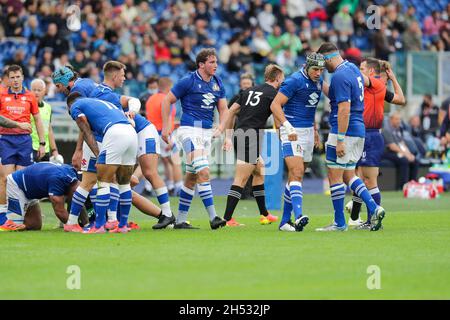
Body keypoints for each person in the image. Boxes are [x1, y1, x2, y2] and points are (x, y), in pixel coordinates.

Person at [90, 61, 175, 229]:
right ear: (114, 76)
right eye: (122, 75)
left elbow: (133, 102)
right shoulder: (106, 94)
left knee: (149, 172)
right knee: (122, 180)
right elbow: (132, 100)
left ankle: (167, 214)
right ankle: (119, 220)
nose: (124, 79)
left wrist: (133, 112)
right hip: (129, 135)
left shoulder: (102, 93)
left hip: (142, 131)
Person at [315, 42, 385, 232]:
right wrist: (321, 83)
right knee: (349, 174)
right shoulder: (352, 69)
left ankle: (339, 223)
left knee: (334, 176)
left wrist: (339, 139)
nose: (323, 67)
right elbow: (338, 95)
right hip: (359, 130)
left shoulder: (339, 75)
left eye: (323, 62)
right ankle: (374, 208)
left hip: (343, 130)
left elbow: (344, 109)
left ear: (329, 58)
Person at [161, 48, 229, 230]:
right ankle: (214, 217)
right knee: (204, 172)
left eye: (216, 62)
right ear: (201, 64)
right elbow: (167, 100)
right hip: (189, 131)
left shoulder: (217, 82)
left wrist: (221, 128)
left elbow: (224, 109)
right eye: (211, 62)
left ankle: (180, 220)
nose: (216, 65)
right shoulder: (188, 81)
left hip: (206, 133)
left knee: (191, 178)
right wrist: (167, 126)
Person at [270, 53, 328, 232]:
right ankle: (299, 215)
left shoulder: (317, 81)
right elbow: (275, 105)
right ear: (306, 66)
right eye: (315, 69)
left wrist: (315, 130)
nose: (318, 73)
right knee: (297, 171)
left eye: (321, 70)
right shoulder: (294, 80)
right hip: (292, 131)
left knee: (296, 176)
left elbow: (310, 109)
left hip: (308, 132)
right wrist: (287, 127)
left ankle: (285, 222)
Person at [347, 58, 405, 229]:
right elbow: (400, 99)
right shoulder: (371, 87)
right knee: (358, 177)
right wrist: (392, 77)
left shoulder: (375, 85)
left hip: (370, 136)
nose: (359, 70)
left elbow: (401, 100)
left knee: (369, 180)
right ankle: (359, 215)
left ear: (371, 72)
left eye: (362, 68)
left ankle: (372, 219)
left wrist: (391, 77)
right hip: (361, 135)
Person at [223, 64, 284, 227]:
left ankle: (264, 214)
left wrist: (228, 136)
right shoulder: (274, 94)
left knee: (259, 170)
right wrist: (282, 136)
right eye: (282, 78)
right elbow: (278, 118)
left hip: (241, 134)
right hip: (250, 137)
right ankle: (227, 219)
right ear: (277, 77)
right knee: (241, 179)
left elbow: (231, 111)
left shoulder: (249, 91)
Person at [66, 95, 137, 234]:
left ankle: (98, 226)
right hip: (130, 132)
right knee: (123, 183)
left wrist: (97, 154)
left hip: (113, 134)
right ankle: (121, 225)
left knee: (102, 181)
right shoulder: (102, 102)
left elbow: (85, 128)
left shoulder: (76, 105)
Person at [0, 65, 47, 231]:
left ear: (22, 77)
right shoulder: (1, 94)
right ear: (8, 79)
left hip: (24, 142)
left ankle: (21, 217)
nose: (15, 80)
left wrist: (42, 143)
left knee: (22, 181)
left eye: (17, 77)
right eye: (12, 77)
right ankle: (3, 217)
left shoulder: (29, 96)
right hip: (6, 140)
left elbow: (38, 120)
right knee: (6, 179)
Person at [1, 162, 79, 231]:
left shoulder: (71, 173)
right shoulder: (57, 179)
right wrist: (75, 226)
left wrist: (85, 224)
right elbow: (60, 211)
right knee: (11, 227)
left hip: (31, 189)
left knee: (35, 225)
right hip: (17, 185)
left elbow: (79, 200)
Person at [145, 77, 183, 197]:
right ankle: (179, 187)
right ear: (168, 87)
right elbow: (166, 118)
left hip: (152, 133)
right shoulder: (166, 100)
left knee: (162, 161)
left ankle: (169, 185)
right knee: (176, 160)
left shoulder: (150, 99)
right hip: (164, 134)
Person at [381, 111, 419, 190]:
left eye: (400, 119)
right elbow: (392, 146)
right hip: (387, 153)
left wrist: (409, 154)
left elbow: (402, 143)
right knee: (404, 160)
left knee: (415, 160)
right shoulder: (386, 130)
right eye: (397, 119)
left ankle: (412, 185)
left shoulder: (398, 129)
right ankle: (402, 186)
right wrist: (406, 155)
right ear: (391, 119)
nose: (399, 121)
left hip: (398, 152)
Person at [30, 78, 62, 163]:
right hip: (31, 147)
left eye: (39, 90)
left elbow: (49, 130)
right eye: (34, 90)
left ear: (44, 91)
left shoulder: (48, 107)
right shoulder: (27, 107)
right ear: (30, 91)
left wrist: (54, 150)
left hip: (45, 149)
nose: (36, 92)